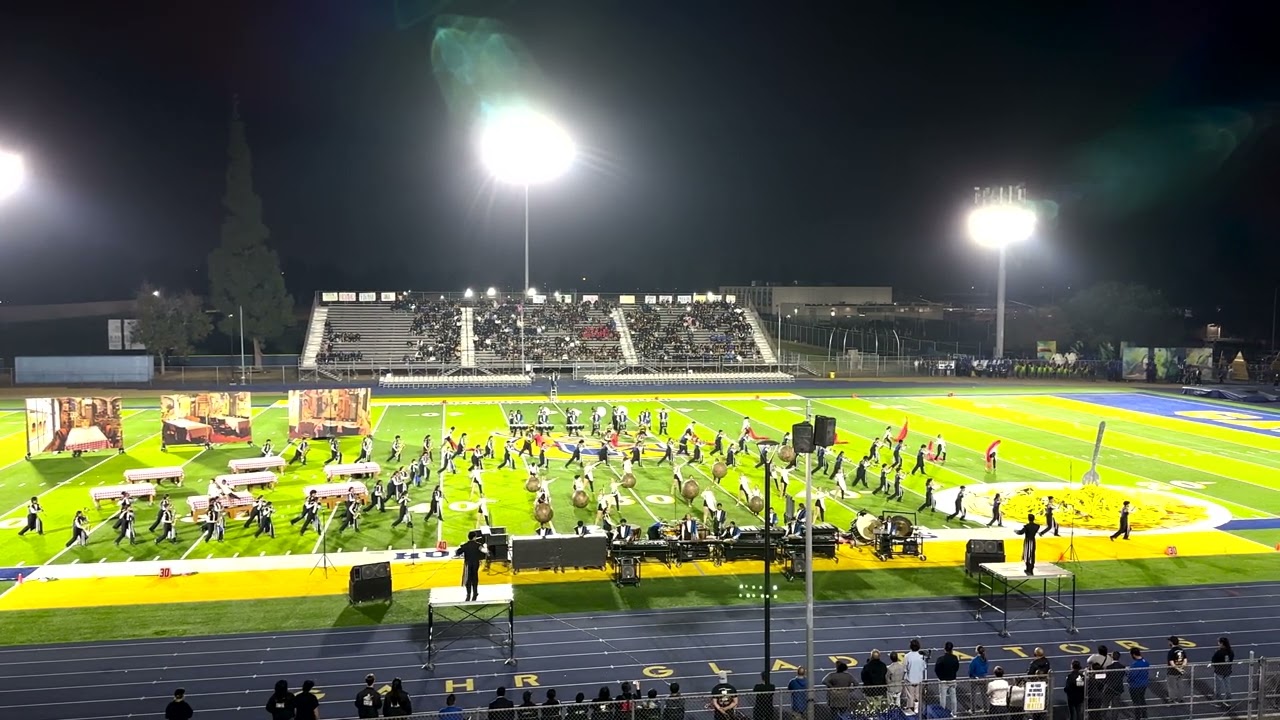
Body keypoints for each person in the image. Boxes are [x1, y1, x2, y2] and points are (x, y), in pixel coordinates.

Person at [457, 530, 487, 601]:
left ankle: (468, 593)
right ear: (474, 537)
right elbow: (485, 552)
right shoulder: (478, 545)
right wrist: (485, 546)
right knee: (475, 577)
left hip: (468, 564)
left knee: (468, 579)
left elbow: (458, 552)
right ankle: (475, 592)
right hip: (476, 563)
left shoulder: (465, 545)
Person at [935, 641, 960, 714]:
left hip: (943, 681)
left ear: (944, 649)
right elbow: (956, 667)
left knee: (943, 698)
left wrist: (941, 677)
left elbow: (937, 670)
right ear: (952, 649)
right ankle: (954, 712)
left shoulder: (941, 659)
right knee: (953, 697)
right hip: (952, 679)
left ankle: (942, 713)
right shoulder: (955, 658)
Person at [903, 639, 926, 714]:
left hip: (910, 679)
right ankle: (917, 710)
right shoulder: (921, 656)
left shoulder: (907, 656)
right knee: (918, 695)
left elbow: (904, 668)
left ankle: (910, 710)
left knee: (910, 696)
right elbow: (924, 667)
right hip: (919, 679)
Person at [1212, 636, 1235, 707]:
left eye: (1219, 642)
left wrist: (1216, 667)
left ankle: (1218, 701)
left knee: (1218, 687)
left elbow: (1213, 661)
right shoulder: (1230, 651)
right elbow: (1231, 660)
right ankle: (1228, 700)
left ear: (1222, 643)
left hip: (1219, 671)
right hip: (1227, 670)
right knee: (1227, 686)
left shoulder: (1218, 652)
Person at [1126, 649, 1149, 720]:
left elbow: (1131, 676)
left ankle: (1137, 717)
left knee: (1136, 702)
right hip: (1144, 684)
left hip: (1135, 685)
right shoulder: (1145, 662)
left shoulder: (1134, 665)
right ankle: (1144, 715)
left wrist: (1127, 673)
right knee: (1142, 699)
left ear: (1133, 655)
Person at [1166, 636, 1189, 703]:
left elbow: (1172, 663)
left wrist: (1178, 669)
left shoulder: (1171, 652)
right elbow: (1185, 660)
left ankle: (1172, 699)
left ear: (1171, 642)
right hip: (1180, 671)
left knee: (1172, 686)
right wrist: (1181, 668)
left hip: (1172, 671)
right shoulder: (1182, 650)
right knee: (1180, 685)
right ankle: (1181, 698)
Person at [969, 646, 990, 714]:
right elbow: (986, 669)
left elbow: (971, 671)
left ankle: (973, 710)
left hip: (975, 679)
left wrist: (972, 676)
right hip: (983, 678)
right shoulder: (985, 659)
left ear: (977, 651)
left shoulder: (974, 660)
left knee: (973, 695)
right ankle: (986, 709)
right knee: (984, 694)